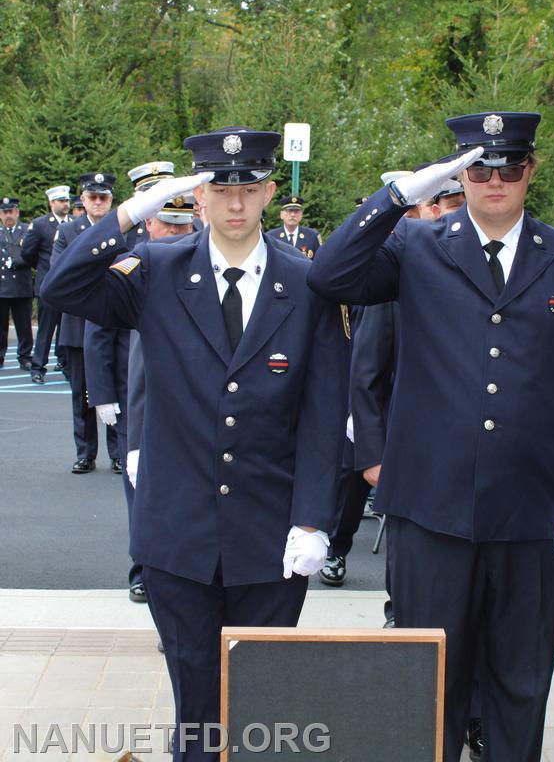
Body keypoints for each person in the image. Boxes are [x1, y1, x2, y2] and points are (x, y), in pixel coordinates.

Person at [308, 111, 554, 762]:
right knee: (430, 685)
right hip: (430, 509)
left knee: (519, 683)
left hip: (532, 512)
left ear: (530, 172)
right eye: (478, 167)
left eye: (509, 168)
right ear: (459, 173)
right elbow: (328, 275)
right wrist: (398, 199)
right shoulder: (418, 247)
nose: (494, 180)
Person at [41, 125, 349, 762]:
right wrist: (132, 212)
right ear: (198, 197)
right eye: (218, 188)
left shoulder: (308, 283)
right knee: (198, 712)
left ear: (269, 192)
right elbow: (61, 289)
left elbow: (323, 416)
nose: (235, 203)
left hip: (272, 540)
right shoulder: (156, 268)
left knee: (261, 707)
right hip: (177, 539)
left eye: (248, 188)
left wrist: (315, 520)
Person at [85, 161, 182, 601]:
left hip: (184, 405)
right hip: (134, 399)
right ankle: (143, 567)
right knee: (139, 493)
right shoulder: (128, 262)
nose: (172, 229)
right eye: (164, 217)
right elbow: (99, 333)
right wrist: (103, 394)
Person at [52, 173, 121, 473]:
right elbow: (60, 273)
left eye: (103, 197)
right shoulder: (68, 232)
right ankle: (85, 453)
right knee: (81, 394)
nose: (97, 202)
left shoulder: (123, 229)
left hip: (115, 322)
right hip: (78, 325)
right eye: (92, 197)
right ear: (82, 200)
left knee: (117, 388)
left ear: (111, 200)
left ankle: (118, 452)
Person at [22, 185, 71, 382]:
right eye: (61, 201)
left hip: (67, 286)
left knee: (67, 327)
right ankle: (38, 367)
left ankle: (65, 363)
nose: (65, 204)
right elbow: (27, 253)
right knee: (46, 327)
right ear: (52, 203)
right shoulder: (41, 224)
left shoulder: (74, 224)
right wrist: (43, 269)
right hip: (48, 285)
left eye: (66, 201)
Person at [0, 197, 33, 369]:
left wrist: (16, 261)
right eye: (5, 212)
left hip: (21, 285)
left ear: (17, 212)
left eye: (11, 211)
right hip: (2, 287)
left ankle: (25, 356)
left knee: (24, 325)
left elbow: (32, 255)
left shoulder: (27, 231)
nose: (8, 216)